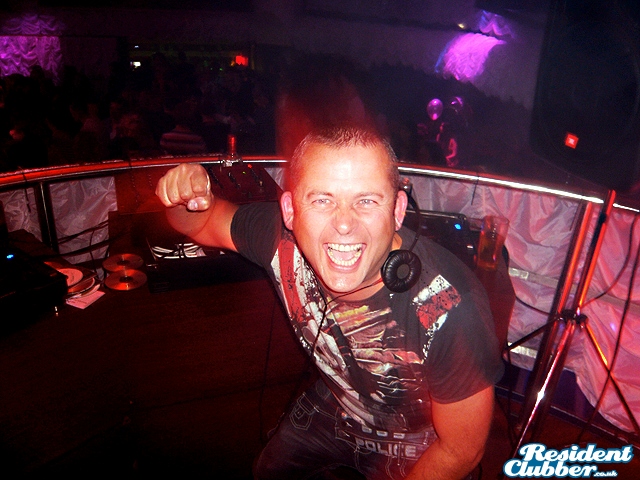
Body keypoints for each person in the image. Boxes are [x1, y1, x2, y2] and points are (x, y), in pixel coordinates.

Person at [155, 126, 503, 479]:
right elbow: (200, 223)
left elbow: (460, 449)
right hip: (338, 404)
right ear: (290, 211)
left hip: (419, 440)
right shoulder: (277, 238)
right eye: (322, 200)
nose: (344, 224)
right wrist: (183, 199)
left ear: (398, 210)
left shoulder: (450, 308)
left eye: (366, 201)